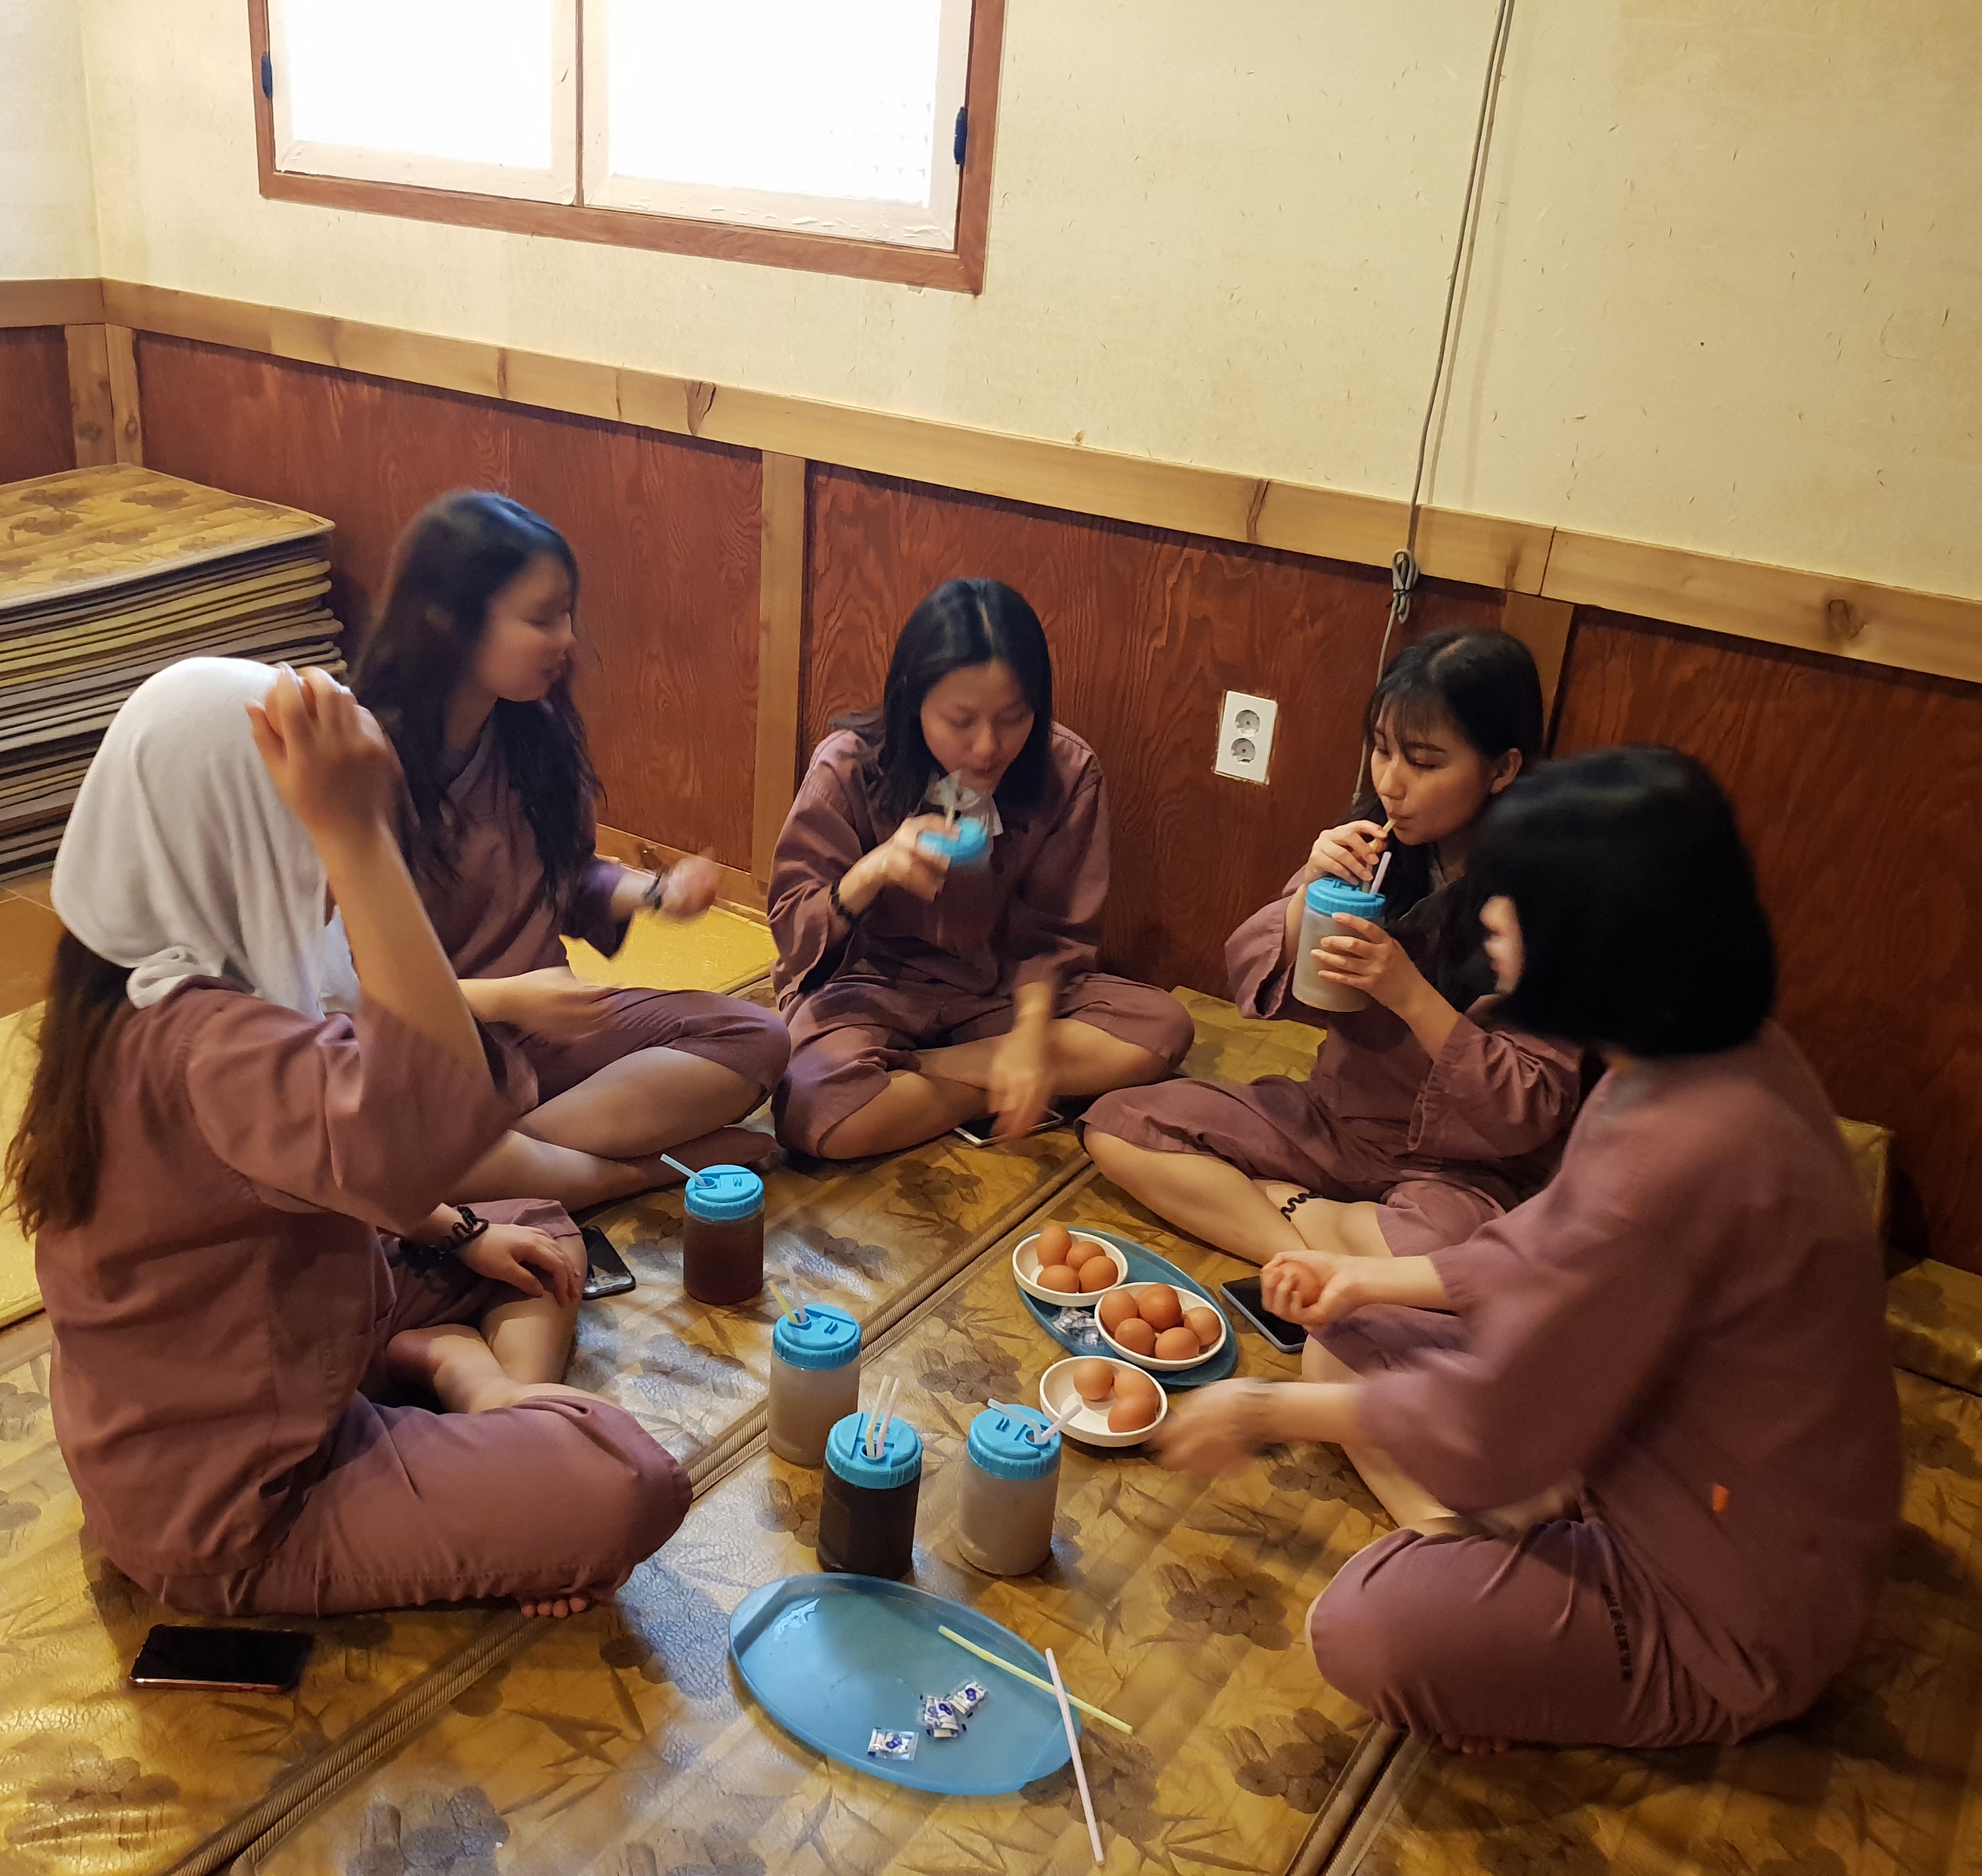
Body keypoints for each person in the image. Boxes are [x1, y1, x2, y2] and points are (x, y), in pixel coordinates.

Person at [1156, 747, 1902, 1751]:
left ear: (1595, 940)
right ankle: (1503, 1559)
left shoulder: (1682, 1153)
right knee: (1344, 1336)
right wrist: (1363, 1279)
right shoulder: (1705, 1051)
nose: (1492, 929)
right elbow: (1541, 1245)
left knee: (1366, 1627)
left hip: (1725, 1595)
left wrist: (1258, 1411)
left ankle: (1512, 1597)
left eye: (1515, 913)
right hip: (1631, 1447)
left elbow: (1496, 1420)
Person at [8, 657, 689, 1617]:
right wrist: (355, 836)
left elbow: (363, 1159)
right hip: (242, 1510)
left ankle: (436, 1364)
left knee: (529, 1232)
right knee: (623, 1481)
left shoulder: (132, 976)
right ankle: (470, 1392)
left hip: (274, 1351)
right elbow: (423, 1123)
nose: (333, 887)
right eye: (312, 844)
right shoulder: (208, 1046)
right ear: (236, 842)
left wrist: (460, 1232)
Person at [1085, 627, 1581, 1265]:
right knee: (1119, 1126)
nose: (1392, 782)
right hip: (1337, 1123)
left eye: (1425, 762)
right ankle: (1309, 1257)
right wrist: (1308, 894)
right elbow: (1254, 981)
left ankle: (1281, 1210)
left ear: (1503, 769)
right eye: (1381, 750)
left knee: (1454, 1251)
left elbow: (1528, 1109)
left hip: (1462, 1170)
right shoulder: (1372, 851)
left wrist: (1408, 993)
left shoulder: (1548, 900)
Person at [352, 492, 790, 1208]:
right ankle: (619, 1173)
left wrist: (656, 894)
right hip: (427, 1054)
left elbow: (563, 876)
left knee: (758, 1037)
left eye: (567, 615)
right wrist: (508, 999)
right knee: (373, 1127)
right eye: (541, 619)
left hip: (542, 1035)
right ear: (449, 622)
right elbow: (338, 992)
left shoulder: (531, 732)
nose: (567, 640)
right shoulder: (364, 765)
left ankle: (490, 1167)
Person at [767, 578, 1193, 1158]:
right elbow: (794, 932)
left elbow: (1053, 938)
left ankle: (923, 1077)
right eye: (961, 721)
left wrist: (1028, 1037)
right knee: (813, 1109)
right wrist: (872, 871)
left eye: (1013, 718)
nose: (988, 747)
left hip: (1000, 992)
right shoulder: (848, 769)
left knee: (1162, 1026)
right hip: (871, 988)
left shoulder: (1066, 772)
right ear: (912, 701)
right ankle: (992, 1084)